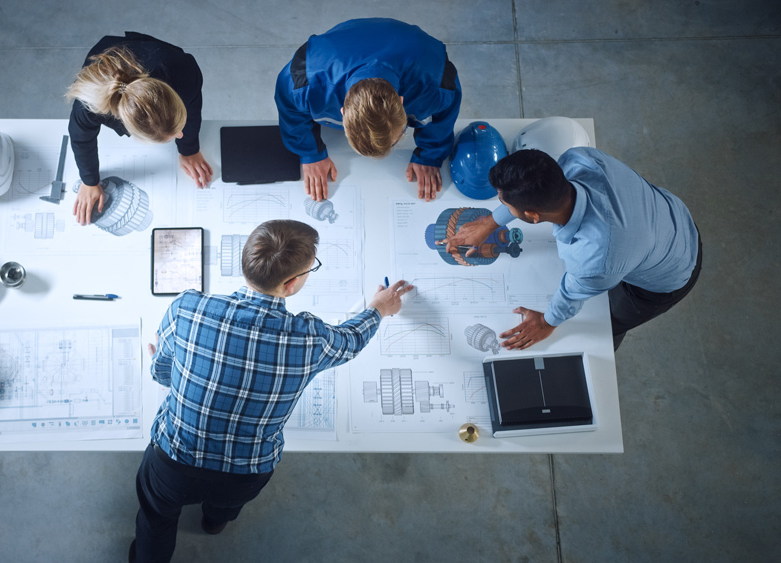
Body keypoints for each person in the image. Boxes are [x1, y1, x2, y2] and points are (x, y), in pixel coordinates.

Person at [131, 219, 412, 563]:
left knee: (156, 519)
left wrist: (167, 370)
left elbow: (161, 370)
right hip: (245, 472)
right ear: (292, 284)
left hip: (172, 461)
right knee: (224, 509)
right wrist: (380, 308)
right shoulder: (310, 338)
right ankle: (213, 524)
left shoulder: (187, 308)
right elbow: (351, 341)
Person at [446, 147, 701, 351]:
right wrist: (491, 222)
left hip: (671, 271)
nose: (501, 204)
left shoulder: (596, 258)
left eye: (504, 202)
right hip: (673, 215)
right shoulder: (581, 159)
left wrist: (546, 322)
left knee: (603, 324)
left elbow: (572, 294)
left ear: (533, 216)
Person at [274, 18, 462, 203]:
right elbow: (290, 110)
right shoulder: (304, 82)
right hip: (334, 49)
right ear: (342, 112)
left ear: (401, 101)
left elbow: (444, 114)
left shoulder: (438, 84)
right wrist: (310, 153)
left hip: (415, 49)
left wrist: (430, 155)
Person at [66, 33, 213, 225]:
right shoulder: (89, 106)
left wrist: (189, 148)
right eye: (173, 136)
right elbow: (81, 138)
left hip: (157, 55)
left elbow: (192, 108)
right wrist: (89, 180)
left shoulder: (184, 71)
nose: (180, 134)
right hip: (106, 60)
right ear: (130, 130)